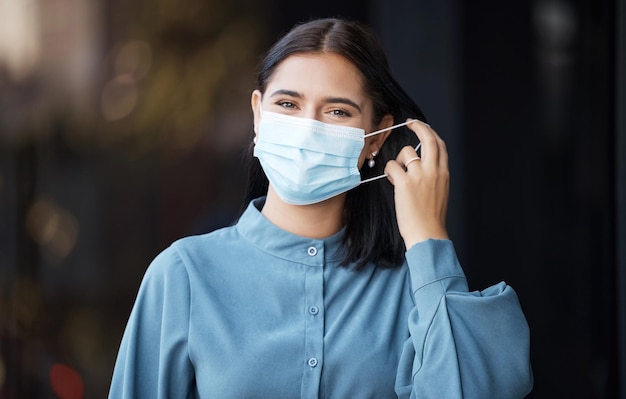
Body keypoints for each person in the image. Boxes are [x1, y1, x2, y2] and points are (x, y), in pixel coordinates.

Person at [109, 17, 533, 398]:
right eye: (288, 104)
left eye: (336, 111)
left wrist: (427, 240)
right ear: (258, 114)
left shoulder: (416, 288)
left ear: (377, 137)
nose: (307, 128)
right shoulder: (184, 275)